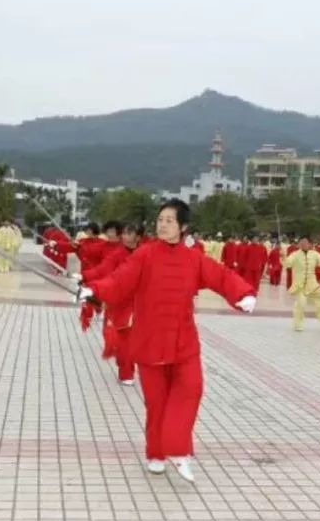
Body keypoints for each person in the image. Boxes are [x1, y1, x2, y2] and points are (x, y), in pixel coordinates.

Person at [78, 199, 256, 482]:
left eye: (170, 220)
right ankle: (156, 454)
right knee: (156, 403)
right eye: (161, 219)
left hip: (184, 341)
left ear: (183, 227)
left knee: (192, 389)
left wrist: (242, 293)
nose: (162, 224)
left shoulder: (193, 258)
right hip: (150, 343)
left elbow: (220, 275)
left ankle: (177, 450)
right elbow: (120, 281)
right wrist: (94, 290)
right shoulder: (145, 255)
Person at [78, 224, 143, 385]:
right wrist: (83, 276)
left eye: (130, 233)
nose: (126, 237)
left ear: (139, 237)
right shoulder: (116, 254)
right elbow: (102, 269)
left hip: (140, 302)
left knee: (132, 339)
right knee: (119, 338)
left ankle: (129, 371)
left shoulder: (146, 254)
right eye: (125, 233)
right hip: (118, 300)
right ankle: (125, 368)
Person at [284, 236, 320, 331]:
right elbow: (288, 263)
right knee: (301, 304)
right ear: (299, 244)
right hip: (300, 286)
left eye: (305, 242)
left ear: (309, 244)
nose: (303, 244)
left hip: (313, 285)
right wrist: (284, 257)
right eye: (301, 242)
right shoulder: (294, 255)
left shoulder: (314, 254)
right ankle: (298, 325)